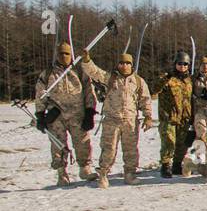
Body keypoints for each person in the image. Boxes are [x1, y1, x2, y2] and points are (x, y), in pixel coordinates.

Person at [80, 51, 153, 188]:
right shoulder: (110, 78)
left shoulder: (138, 81)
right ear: (118, 65)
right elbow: (94, 72)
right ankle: (103, 173)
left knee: (131, 149)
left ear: (131, 65)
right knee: (109, 149)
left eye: (127, 63)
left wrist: (148, 116)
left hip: (130, 121)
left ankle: (130, 174)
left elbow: (146, 99)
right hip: (112, 121)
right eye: (121, 63)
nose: (124, 66)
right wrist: (87, 60)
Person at [33, 42, 97, 184]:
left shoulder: (79, 71)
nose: (64, 56)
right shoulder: (48, 73)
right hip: (57, 117)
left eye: (67, 53)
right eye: (61, 53)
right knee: (57, 145)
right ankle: (62, 173)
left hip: (78, 115)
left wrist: (90, 112)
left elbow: (89, 92)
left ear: (71, 54)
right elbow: (40, 94)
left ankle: (85, 169)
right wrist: (40, 115)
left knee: (82, 142)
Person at [156, 51, 195, 178]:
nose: (182, 66)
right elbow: (154, 89)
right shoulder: (167, 78)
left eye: (185, 64)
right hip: (169, 117)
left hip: (184, 117)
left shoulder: (189, 80)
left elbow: (191, 99)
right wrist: (165, 79)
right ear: (175, 64)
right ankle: (165, 165)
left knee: (182, 143)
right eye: (180, 63)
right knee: (168, 142)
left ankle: (177, 164)